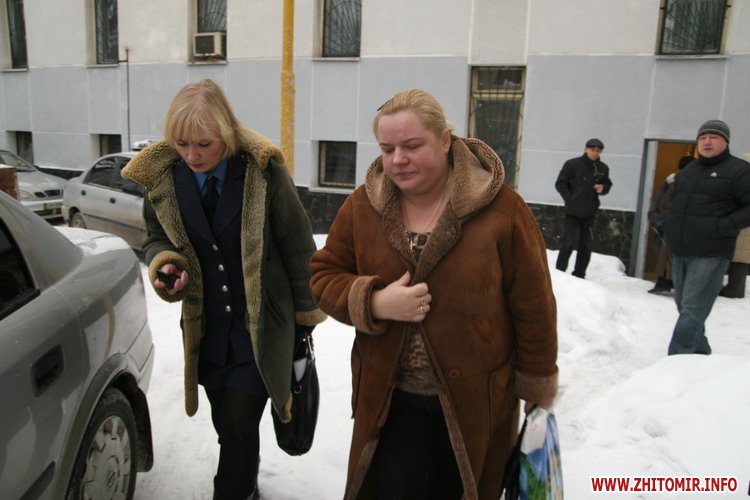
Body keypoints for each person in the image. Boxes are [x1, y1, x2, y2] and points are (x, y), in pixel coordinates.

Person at [309, 89, 558, 499]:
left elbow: (533, 304)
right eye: (387, 149)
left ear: (444, 140)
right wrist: (374, 301)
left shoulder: (503, 210)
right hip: (390, 401)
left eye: (412, 145)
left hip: (475, 404)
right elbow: (322, 275)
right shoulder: (363, 206)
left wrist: (536, 383)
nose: (397, 160)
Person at [121, 79, 327, 499]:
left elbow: (298, 244)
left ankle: (234, 491)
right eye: (182, 144)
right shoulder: (164, 179)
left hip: (261, 330)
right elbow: (156, 238)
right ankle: (246, 483)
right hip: (208, 331)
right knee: (227, 426)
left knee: (237, 424)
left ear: (227, 134)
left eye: (203, 144)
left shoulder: (262, 172)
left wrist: (306, 316)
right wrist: (166, 263)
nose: (192, 155)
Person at [664, 120, 750, 355]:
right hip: (681, 248)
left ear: (726, 142)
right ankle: (701, 356)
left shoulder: (740, 171)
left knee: (693, 308)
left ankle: (677, 360)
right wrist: (667, 225)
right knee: (685, 306)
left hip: (711, 251)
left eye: (714, 137)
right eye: (702, 137)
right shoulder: (690, 170)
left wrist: (724, 226)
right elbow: (675, 202)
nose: (707, 142)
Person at [554, 138, 613, 279]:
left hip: (590, 212)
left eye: (598, 151)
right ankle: (559, 273)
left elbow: (607, 184)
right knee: (567, 243)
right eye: (592, 150)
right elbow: (561, 183)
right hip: (572, 211)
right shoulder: (572, 164)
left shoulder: (602, 168)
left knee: (586, 245)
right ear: (586, 149)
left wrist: (603, 188)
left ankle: (579, 274)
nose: (595, 153)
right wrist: (569, 198)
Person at [646, 155, 693, 294]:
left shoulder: (672, 180)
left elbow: (657, 204)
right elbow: (661, 203)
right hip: (670, 224)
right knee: (668, 255)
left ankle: (667, 283)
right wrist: (659, 221)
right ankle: (667, 283)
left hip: (671, 224)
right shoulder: (672, 182)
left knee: (668, 255)